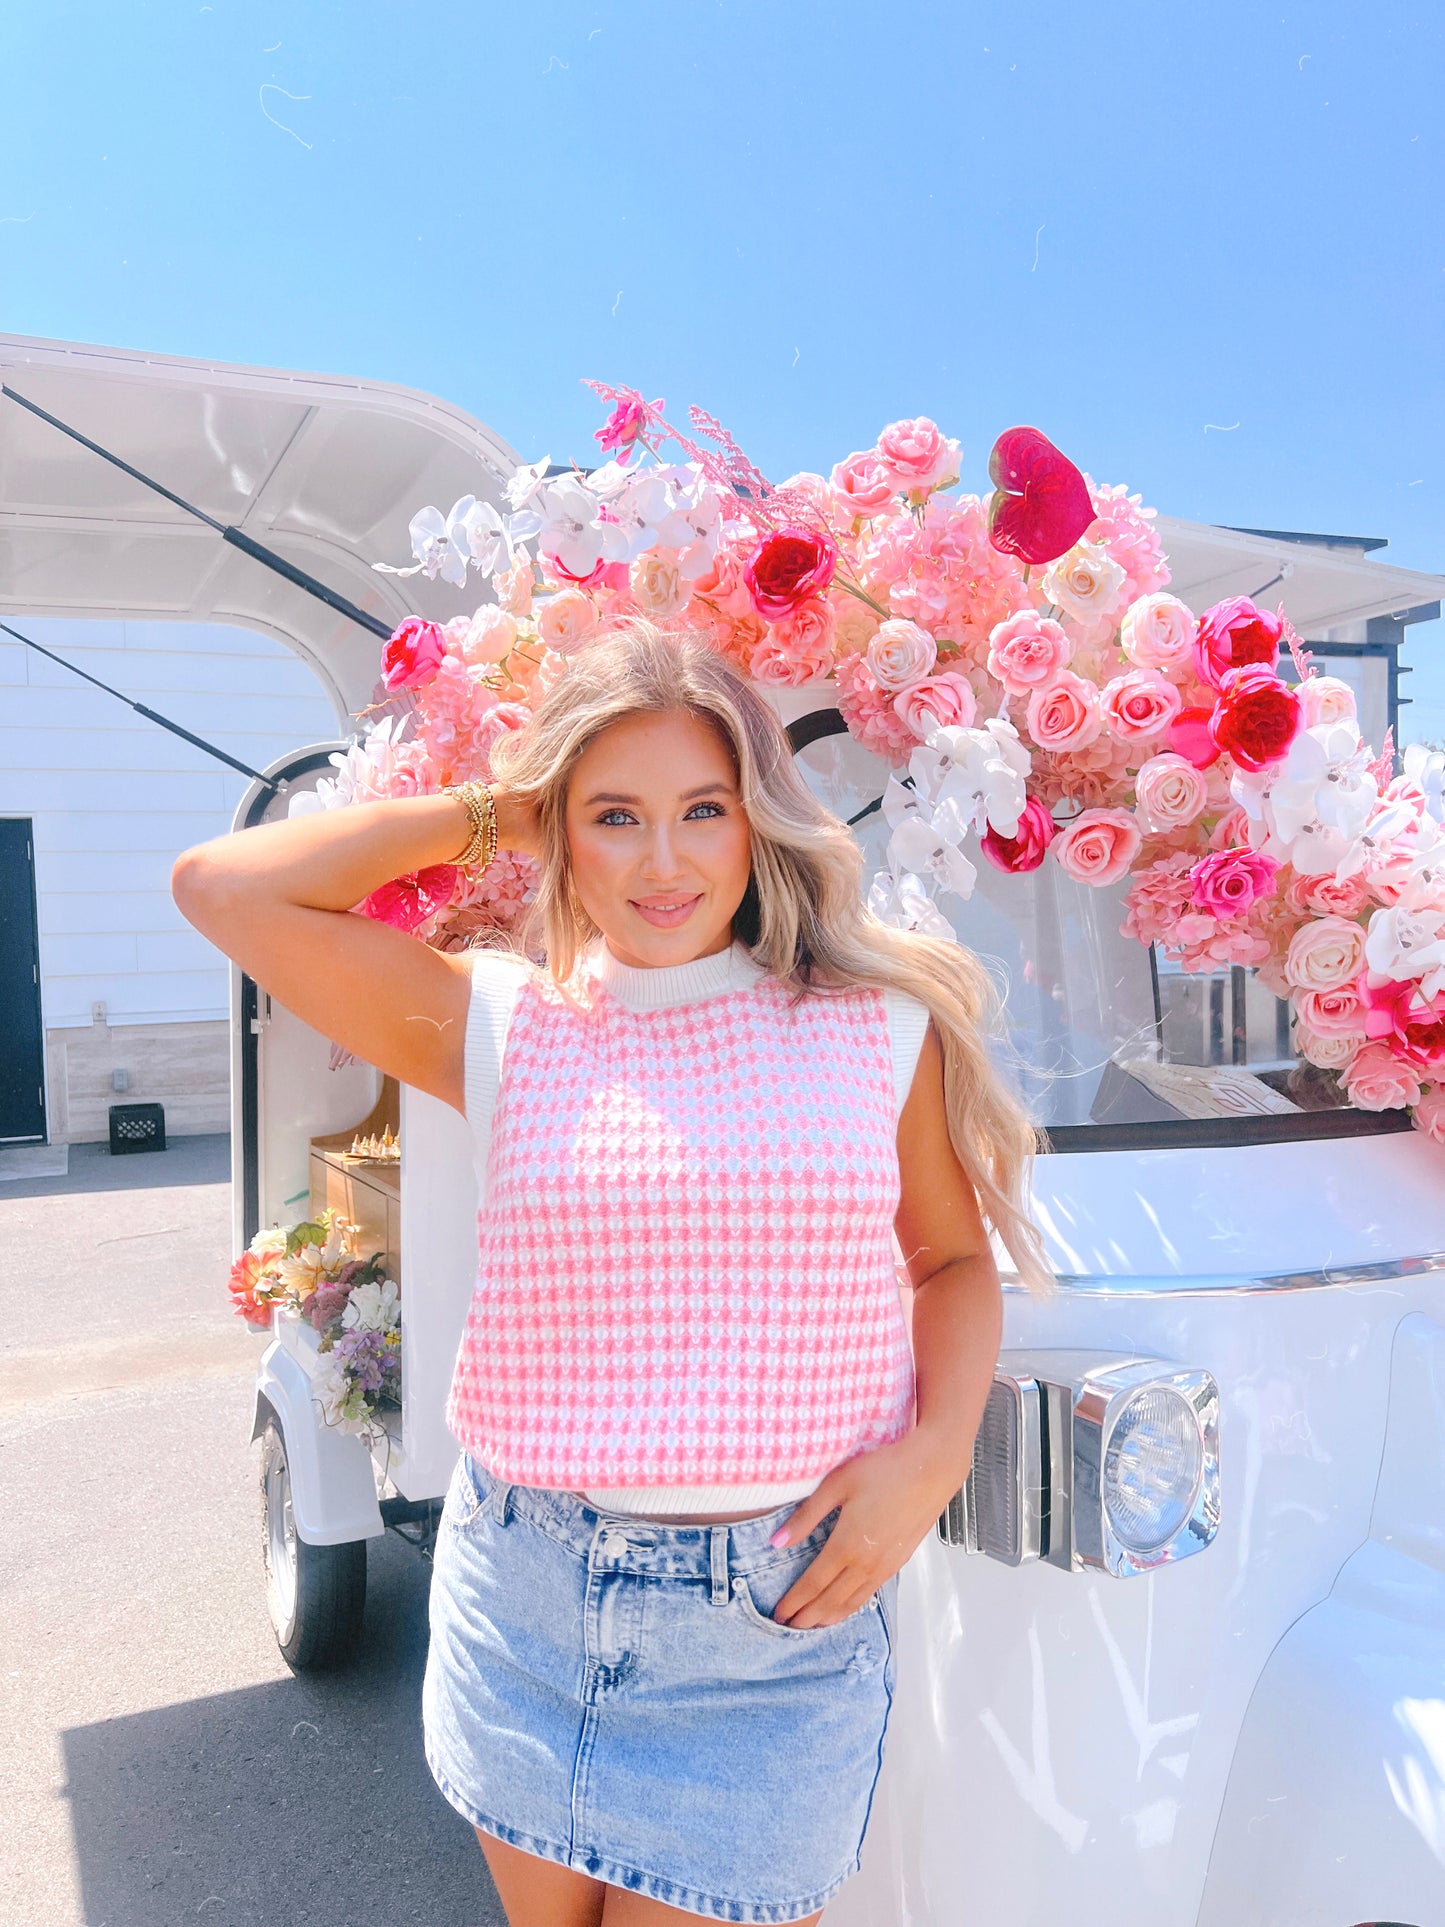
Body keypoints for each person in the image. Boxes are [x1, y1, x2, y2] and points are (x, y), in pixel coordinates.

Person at [172, 617, 1052, 1927]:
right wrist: (485, 809)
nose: (661, 858)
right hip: (527, 1590)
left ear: (756, 820)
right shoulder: (502, 1023)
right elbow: (224, 888)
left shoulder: (877, 1028)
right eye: (612, 814)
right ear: (559, 832)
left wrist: (930, 1459)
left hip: (771, 1627)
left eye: (701, 808)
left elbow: (948, 1262)